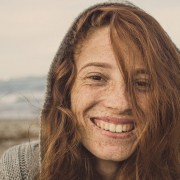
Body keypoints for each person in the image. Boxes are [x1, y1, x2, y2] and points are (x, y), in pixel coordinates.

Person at [0, 1, 179, 179]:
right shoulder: (22, 168)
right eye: (97, 78)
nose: (120, 103)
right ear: (65, 87)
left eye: (141, 83)